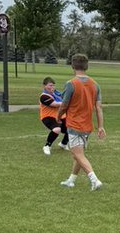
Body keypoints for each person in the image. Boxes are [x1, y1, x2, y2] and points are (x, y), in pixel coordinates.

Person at [56, 54, 106, 191]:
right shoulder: (95, 85)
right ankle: (71, 180)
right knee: (79, 154)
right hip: (87, 126)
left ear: (72, 66)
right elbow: (99, 107)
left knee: (77, 154)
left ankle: (94, 180)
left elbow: (64, 104)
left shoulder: (71, 84)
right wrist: (101, 126)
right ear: (87, 66)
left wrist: (58, 116)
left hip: (74, 125)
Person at [39, 77, 69, 155]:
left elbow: (64, 99)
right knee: (57, 129)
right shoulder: (44, 96)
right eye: (50, 85)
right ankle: (47, 146)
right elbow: (55, 104)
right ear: (44, 86)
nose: (52, 87)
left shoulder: (57, 93)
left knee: (72, 128)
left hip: (60, 115)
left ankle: (63, 144)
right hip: (48, 117)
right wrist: (67, 102)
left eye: (53, 85)